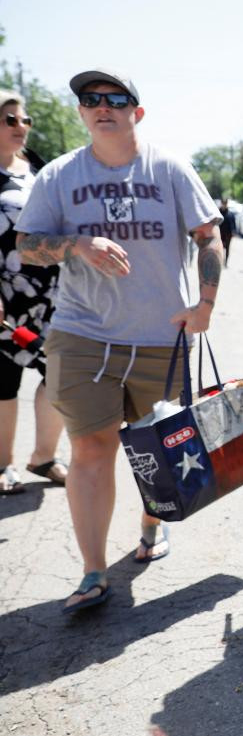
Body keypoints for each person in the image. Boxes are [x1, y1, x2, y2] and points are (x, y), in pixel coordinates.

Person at [15, 68, 224, 613]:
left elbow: (209, 235)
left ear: (138, 111)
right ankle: (92, 572)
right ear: (82, 111)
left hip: (162, 338)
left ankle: (153, 524)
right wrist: (77, 244)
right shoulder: (59, 175)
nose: (102, 106)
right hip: (82, 334)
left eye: (115, 98)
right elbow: (27, 244)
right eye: (90, 99)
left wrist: (204, 305)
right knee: (90, 447)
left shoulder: (170, 168)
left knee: (154, 449)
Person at [0, 89, 68, 495]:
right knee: (3, 382)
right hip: (6, 297)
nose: (22, 126)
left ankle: (44, 456)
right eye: (11, 119)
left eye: (25, 120)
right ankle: (3, 465)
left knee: (59, 374)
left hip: (53, 295)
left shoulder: (39, 167)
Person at [217, 197, 235, 264]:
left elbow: (233, 224)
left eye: (225, 203)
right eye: (223, 203)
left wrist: (233, 232)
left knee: (227, 248)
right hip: (220, 233)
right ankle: (219, 260)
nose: (224, 205)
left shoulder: (230, 213)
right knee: (220, 247)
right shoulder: (217, 212)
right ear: (221, 203)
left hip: (228, 234)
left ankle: (226, 261)